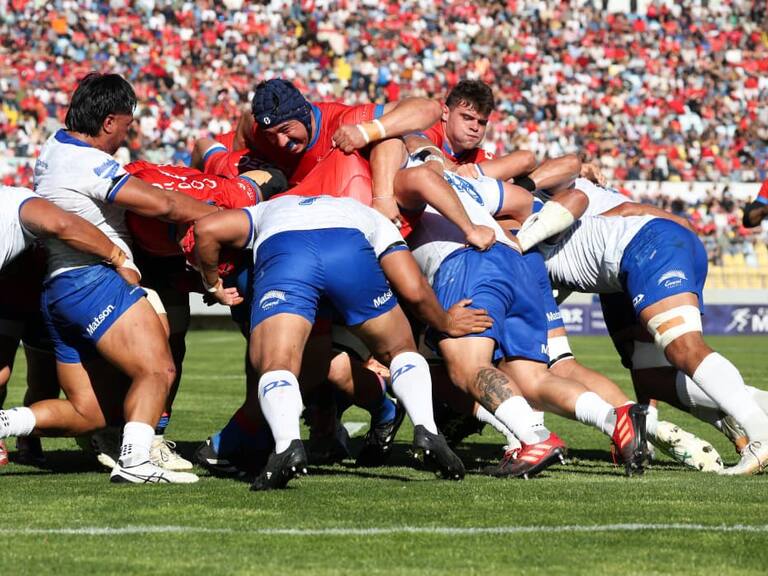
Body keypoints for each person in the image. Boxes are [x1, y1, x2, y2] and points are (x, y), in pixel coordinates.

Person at [192, 194, 495, 489]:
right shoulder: (370, 215)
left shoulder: (267, 209)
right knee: (400, 349)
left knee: (277, 363)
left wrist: (213, 284)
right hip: (348, 249)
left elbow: (206, 229)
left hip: (286, 252)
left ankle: (287, 445)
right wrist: (446, 322)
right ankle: (427, 430)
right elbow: (414, 289)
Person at [5, 72, 219, 484]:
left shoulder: (55, 146)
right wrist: (226, 217)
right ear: (108, 122)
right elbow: (162, 205)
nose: (128, 131)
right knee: (158, 370)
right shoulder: (86, 161)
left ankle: (3, 422)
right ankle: (137, 460)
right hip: (92, 280)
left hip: (58, 291)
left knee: (91, 412)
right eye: (127, 122)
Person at [539, 194, 768, 475]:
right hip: (618, 272)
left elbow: (606, 197)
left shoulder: (546, 201)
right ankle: (649, 427)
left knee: (684, 348)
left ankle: (761, 433)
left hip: (640, 248)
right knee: (650, 375)